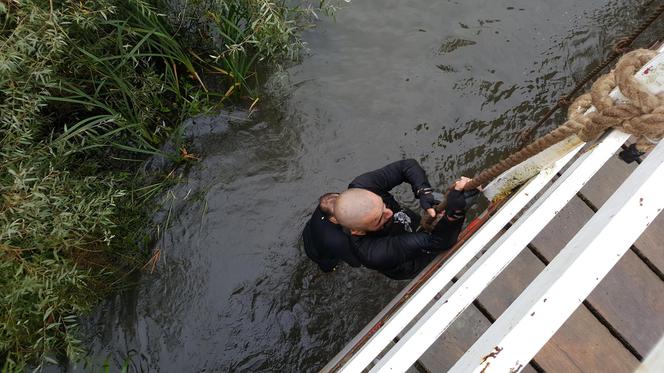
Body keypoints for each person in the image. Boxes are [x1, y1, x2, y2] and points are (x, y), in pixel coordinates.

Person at [302, 158, 477, 279]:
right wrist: (455, 213)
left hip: (406, 231)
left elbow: (407, 166)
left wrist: (424, 191)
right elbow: (438, 242)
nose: (390, 213)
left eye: (383, 205)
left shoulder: (363, 185)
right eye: (379, 219)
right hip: (408, 261)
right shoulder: (372, 252)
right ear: (357, 231)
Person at [302, 192, 361, 272]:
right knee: (328, 266)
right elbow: (356, 263)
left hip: (309, 231)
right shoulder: (337, 240)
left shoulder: (325, 206)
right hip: (319, 255)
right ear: (334, 218)